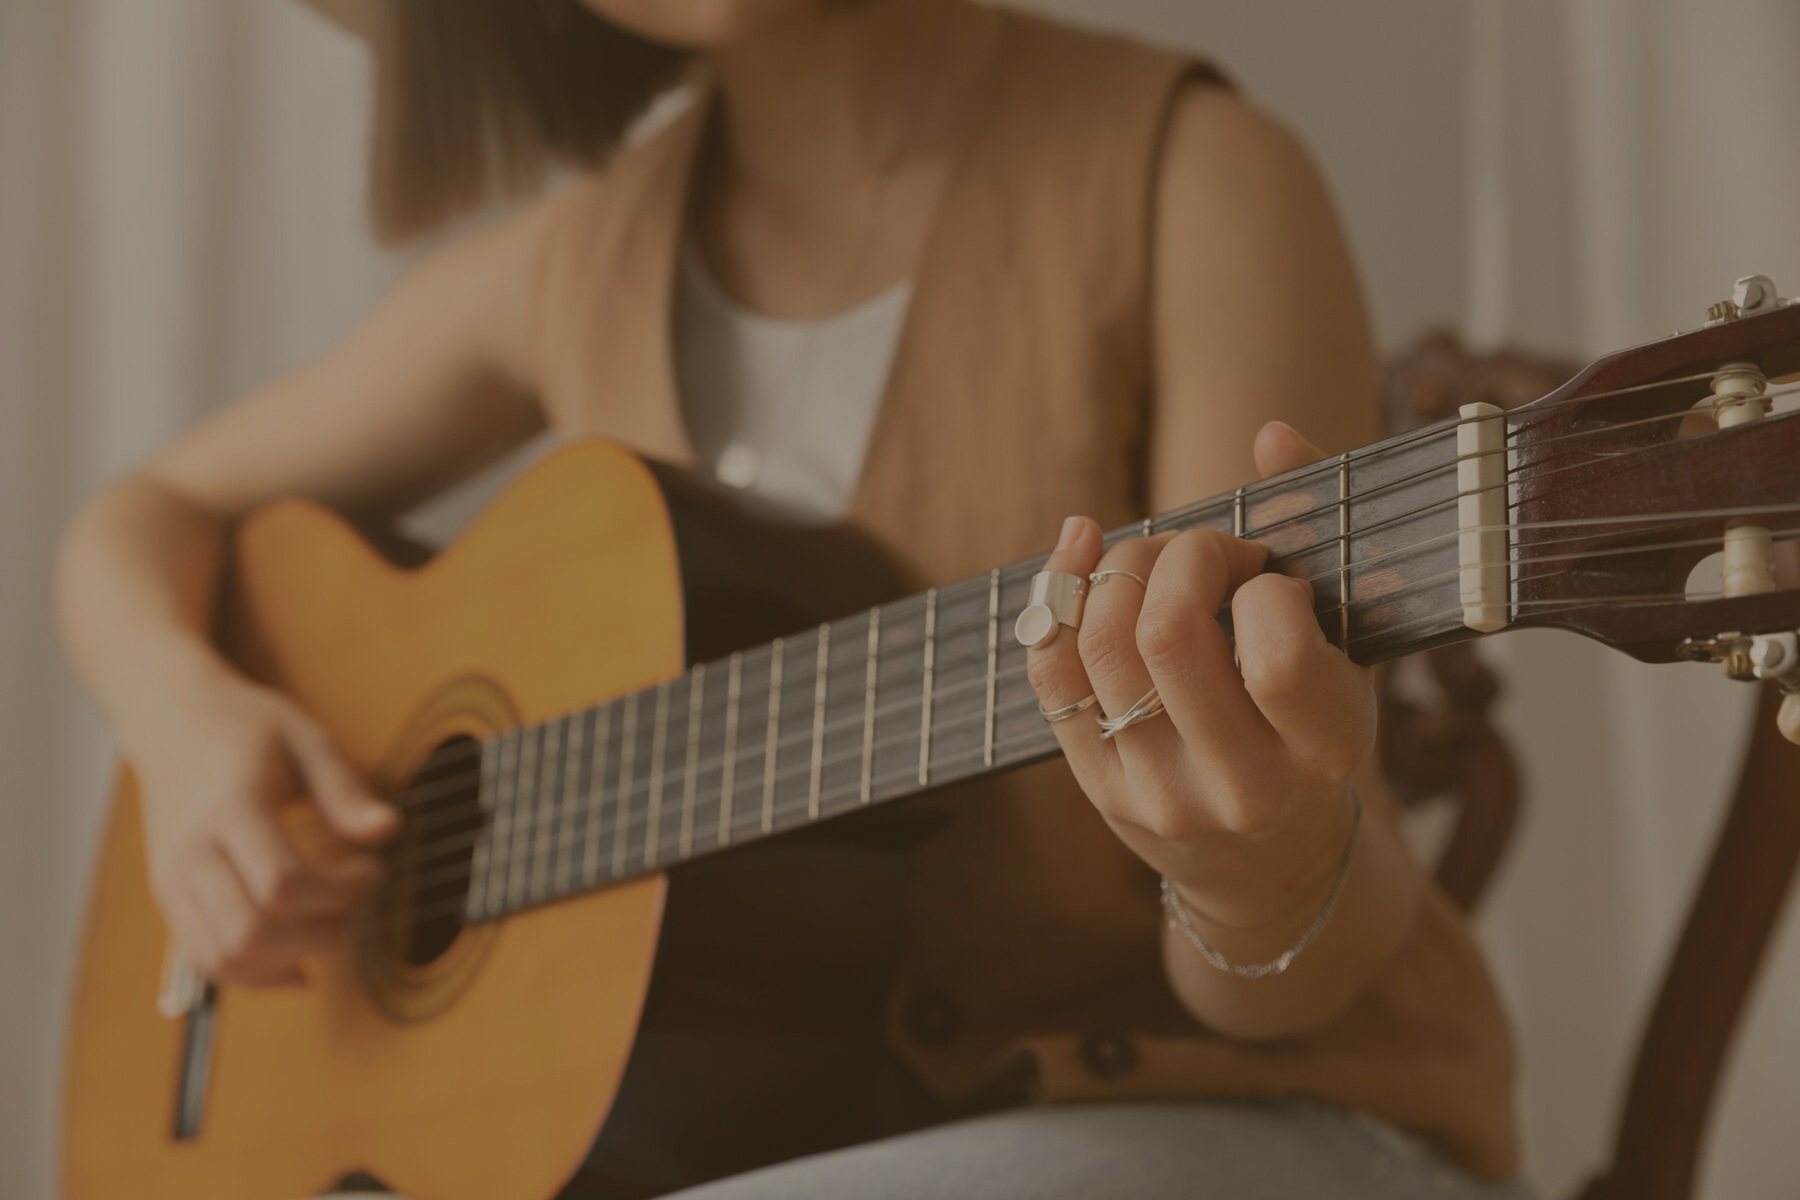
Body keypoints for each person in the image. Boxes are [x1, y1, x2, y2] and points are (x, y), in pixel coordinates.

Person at [54, 1, 1535, 1196]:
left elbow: (1305, 986)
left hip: (1262, 1117)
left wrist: (1255, 859)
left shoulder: (1188, 176)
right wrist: (188, 732)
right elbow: (135, 522)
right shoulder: (567, 264)